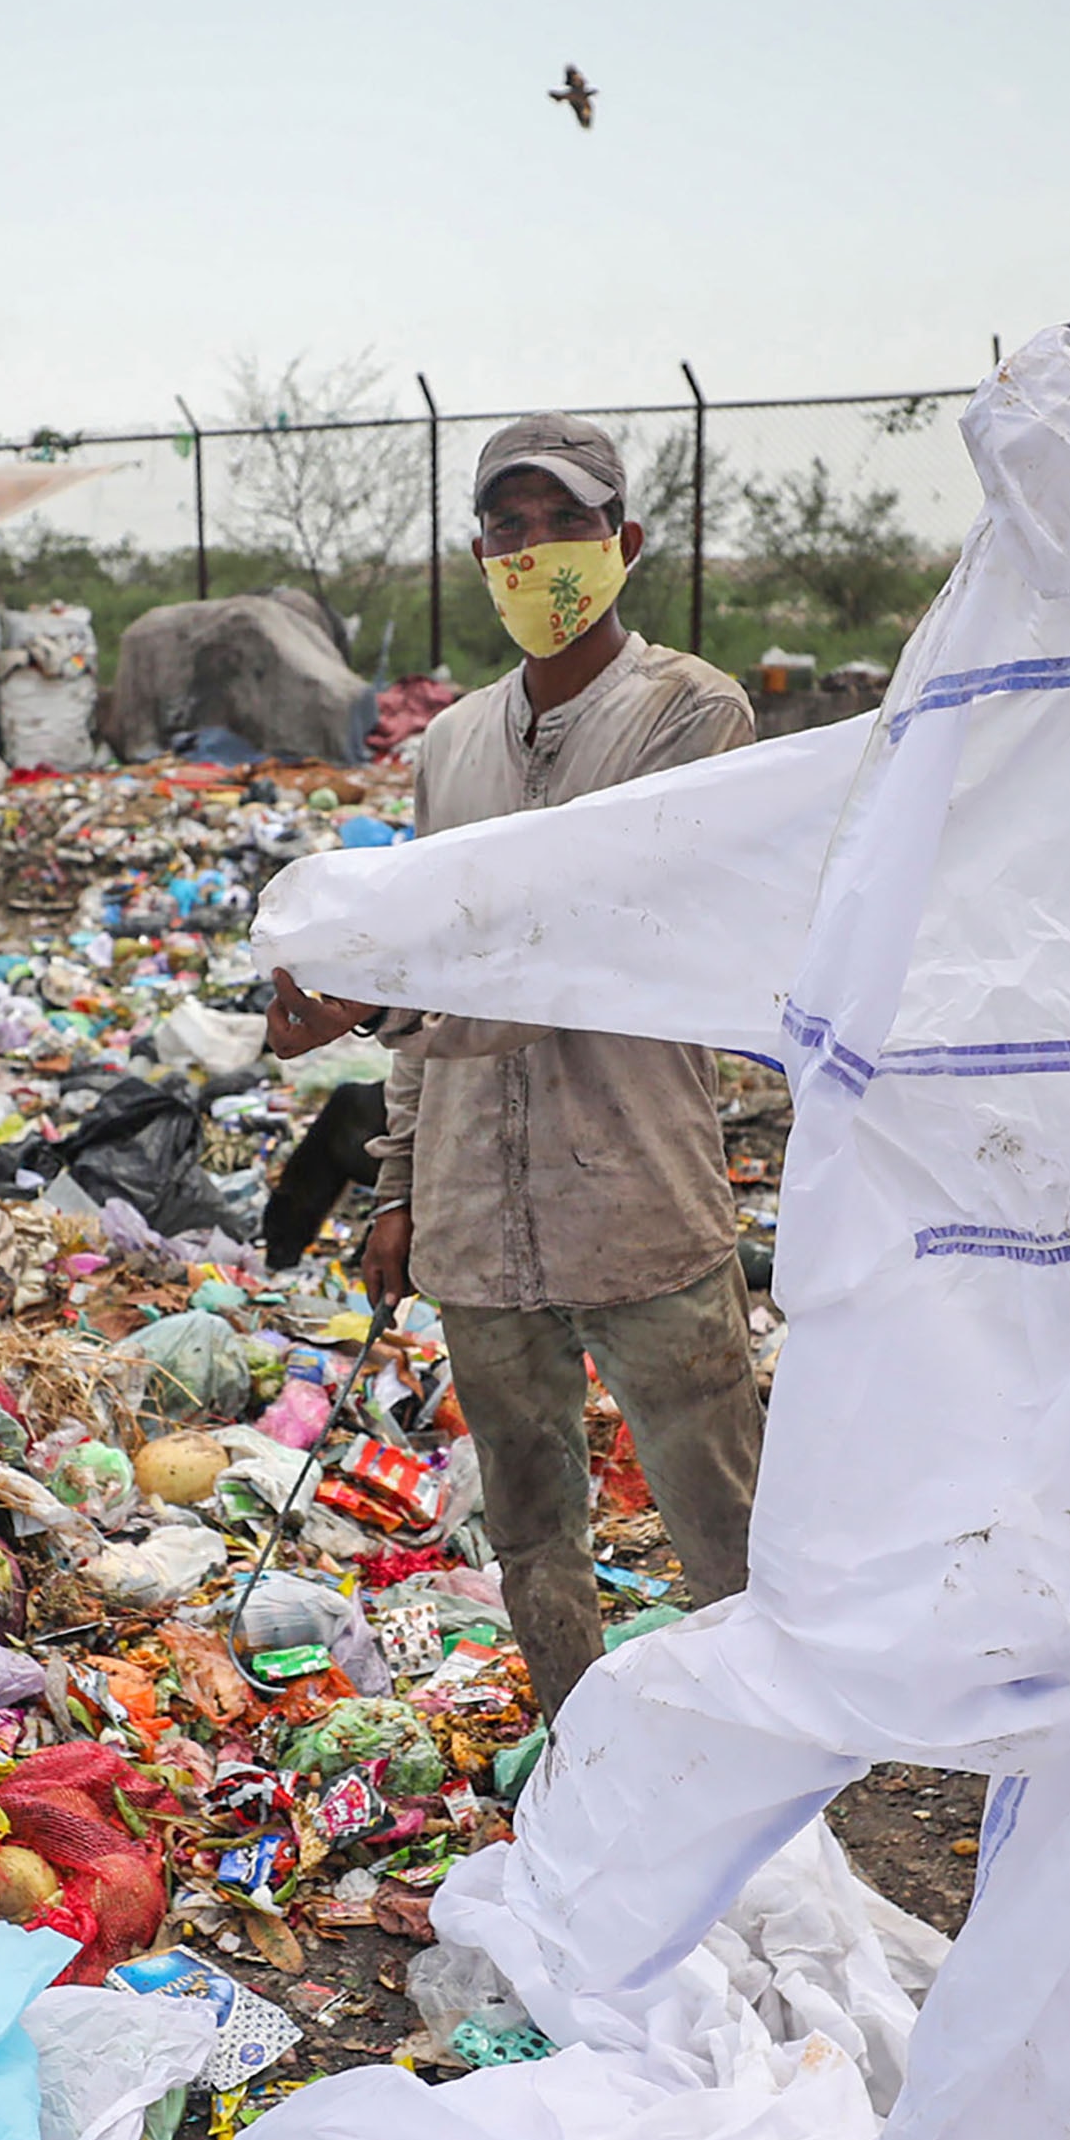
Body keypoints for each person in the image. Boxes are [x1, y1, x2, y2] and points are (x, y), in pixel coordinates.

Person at [269, 412, 772, 1722]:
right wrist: (395, 1188)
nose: (537, 551)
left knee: (728, 1530)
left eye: (566, 523)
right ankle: (579, 1750)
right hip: (480, 1229)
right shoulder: (448, 748)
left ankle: (787, 1782)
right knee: (533, 1523)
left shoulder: (688, 713)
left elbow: (586, 948)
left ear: (626, 542)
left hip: (639, 1203)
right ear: (480, 550)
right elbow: (438, 959)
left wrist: (382, 996)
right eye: (511, 526)